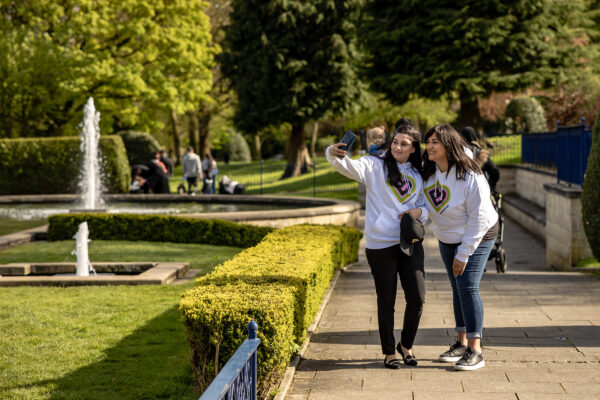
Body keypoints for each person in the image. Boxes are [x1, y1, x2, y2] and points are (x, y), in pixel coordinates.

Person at [327, 121, 428, 369]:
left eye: (404, 144)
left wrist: (419, 212)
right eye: (395, 141)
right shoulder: (375, 165)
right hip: (380, 244)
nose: (397, 146)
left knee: (417, 297)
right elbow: (348, 166)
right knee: (387, 299)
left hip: (410, 241)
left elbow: (429, 206)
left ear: (414, 148)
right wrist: (332, 152)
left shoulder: (422, 172)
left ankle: (405, 345)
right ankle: (388, 352)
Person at [422, 124, 499, 371]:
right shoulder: (430, 173)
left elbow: (480, 218)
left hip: (479, 235)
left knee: (467, 287)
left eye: (435, 141)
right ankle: (461, 343)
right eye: (428, 141)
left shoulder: (470, 177)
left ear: (448, 145)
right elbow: (428, 204)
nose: (430, 146)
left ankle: (475, 349)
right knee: (457, 287)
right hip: (448, 237)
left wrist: (464, 253)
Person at [459, 127, 500, 191]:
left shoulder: (458, 152)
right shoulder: (481, 153)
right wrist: (489, 187)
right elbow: (495, 172)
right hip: (479, 190)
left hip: (462, 190)